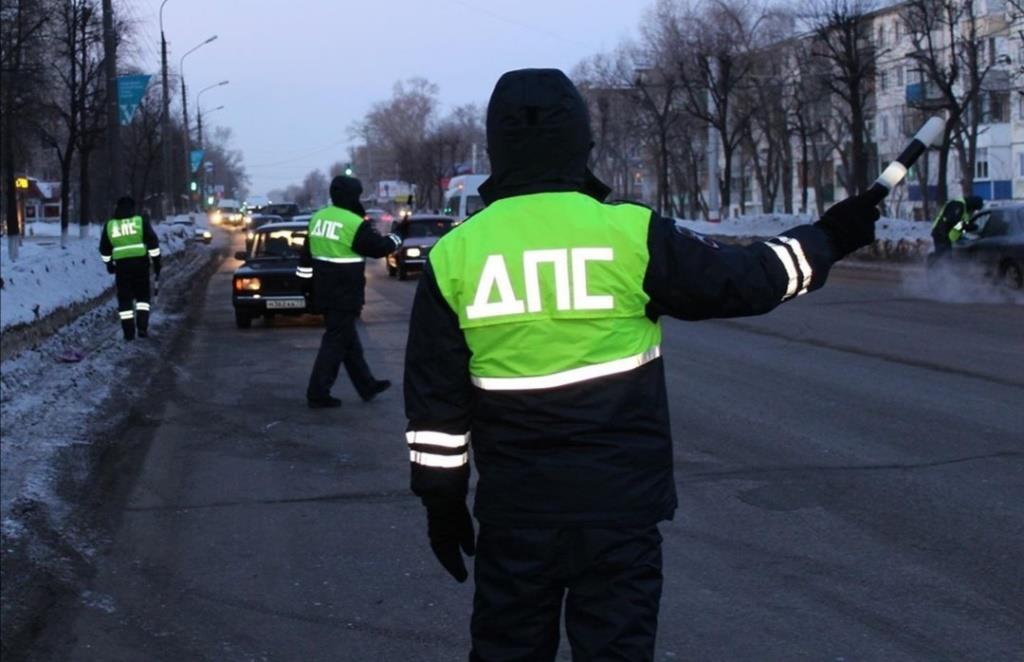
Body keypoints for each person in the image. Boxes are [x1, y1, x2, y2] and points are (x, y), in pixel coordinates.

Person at [403, 68, 882, 661]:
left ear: (498, 148)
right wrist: (830, 236)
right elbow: (750, 281)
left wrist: (441, 504)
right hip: (619, 512)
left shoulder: (457, 255)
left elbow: (435, 412)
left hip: (516, 514)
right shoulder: (631, 235)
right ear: (581, 142)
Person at [298, 175, 403, 409]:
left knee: (348, 342)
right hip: (345, 293)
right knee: (335, 342)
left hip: (324, 291)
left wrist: (305, 288)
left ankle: (366, 385)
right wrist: (398, 237)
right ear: (352, 196)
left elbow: (305, 257)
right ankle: (317, 392)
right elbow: (379, 249)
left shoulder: (318, 218)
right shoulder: (353, 223)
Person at [99, 196, 161, 341]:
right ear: (132, 208)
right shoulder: (140, 222)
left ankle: (128, 333)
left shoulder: (110, 225)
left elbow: (104, 249)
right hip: (141, 266)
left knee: (125, 301)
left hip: (122, 268)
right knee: (143, 299)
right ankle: (142, 328)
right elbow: (153, 243)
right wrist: (157, 262)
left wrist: (109, 264)